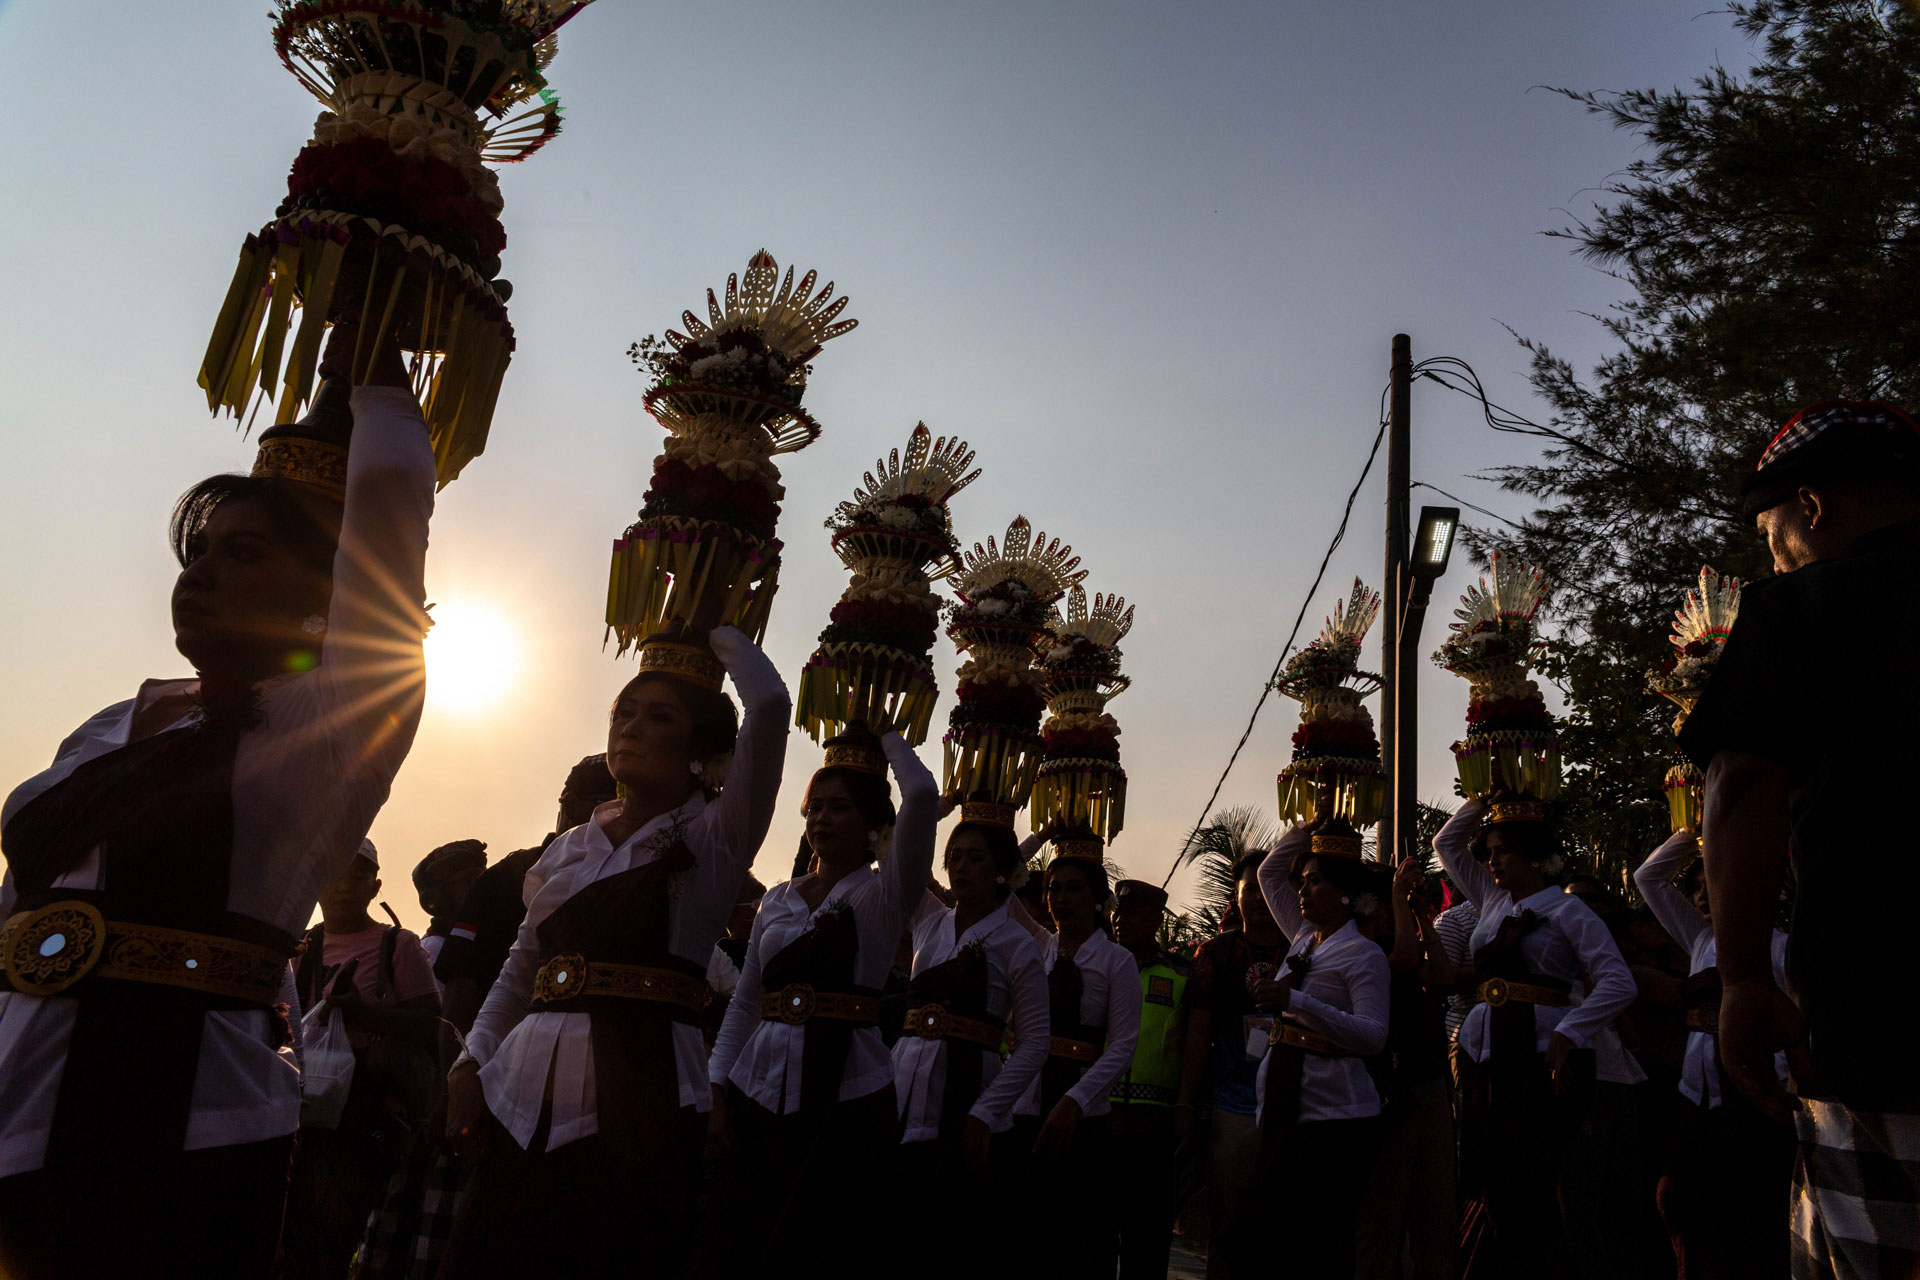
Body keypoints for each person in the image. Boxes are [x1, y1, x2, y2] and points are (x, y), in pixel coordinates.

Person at [0, 321, 433, 1280]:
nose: (201, 571)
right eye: (201, 550)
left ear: (331, 590)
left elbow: (395, 506)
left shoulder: (325, 724)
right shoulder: (118, 721)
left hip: (184, 1119)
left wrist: (372, 353)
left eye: (246, 555)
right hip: (20, 1086)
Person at [439, 629, 788, 1279]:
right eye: (622, 713)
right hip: (520, 1094)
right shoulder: (568, 850)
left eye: (659, 717)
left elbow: (768, 706)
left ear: (700, 750)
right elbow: (520, 972)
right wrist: (470, 1064)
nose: (630, 728)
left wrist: (712, 627)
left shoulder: (713, 839)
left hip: (643, 1097)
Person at [1679, 400, 1920, 1279]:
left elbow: (1741, 783)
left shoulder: (1809, 604)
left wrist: (1741, 976)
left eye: (1770, 530)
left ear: (1811, 506)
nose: (1771, 553)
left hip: (1880, 1029)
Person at [699, 722, 938, 1280]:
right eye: (815, 808)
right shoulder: (776, 901)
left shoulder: (884, 895)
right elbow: (747, 1003)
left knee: (825, 1243)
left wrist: (885, 740)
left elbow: (922, 794)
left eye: (840, 808)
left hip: (849, 1096)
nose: (822, 819)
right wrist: (716, 1087)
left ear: (875, 826)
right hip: (756, 1089)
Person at [1435, 797, 1638, 1280]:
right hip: (1484, 1056)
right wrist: (1486, 796)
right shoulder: (1492, 899)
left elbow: (1618, 982)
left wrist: (1572, 1029)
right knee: (1484, 1176)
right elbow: (1448, 843)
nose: (1491, 861)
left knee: (1531, 1180)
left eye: (1502, 850)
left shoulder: (1569, 910)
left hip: (1539, 1058)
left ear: (1531, 854)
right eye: (1488, 852)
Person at [892, 807, 1049, 1280]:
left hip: (968, 1103)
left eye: (975, 858)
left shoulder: (1019, 944)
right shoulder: (928, 920)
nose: (960, 867)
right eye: (953, 857)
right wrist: (943, 804)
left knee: (953, 1239)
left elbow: (1034, 1041)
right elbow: (895, 849)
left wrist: (986, 1111)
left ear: (1003, 871)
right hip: (903, 1091)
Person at [278, 846, 442, 1280]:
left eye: (357, 878)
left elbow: (430, 1025)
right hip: (302, 1111)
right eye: (335, 876)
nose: (344, 888)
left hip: (363, 1116)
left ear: (376, 887)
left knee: (335, 1236)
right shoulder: (300, 944)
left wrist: (362, 1014)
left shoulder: (397, 945)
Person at [1634, 830, 1793, 1278]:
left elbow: (1792, 1026)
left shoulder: (1780, 946)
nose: (1703, 895)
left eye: (1714, 881)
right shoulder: (1700, 938)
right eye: (1698, 886)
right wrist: (1697, 827)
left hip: (1755, 1099)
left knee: (1750, 1219)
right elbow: (1649, 877)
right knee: (1679, 1201)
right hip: (1698, 1097)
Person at [1246, 821, 1391, 1280]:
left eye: (1315, 880)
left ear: (1345, 892)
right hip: (1287, 1106)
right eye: (1302, 880)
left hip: (1335, 1116)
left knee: (1322, 1244)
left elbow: (1373, 1034)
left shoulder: (1362, 953)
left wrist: (1295, 1001)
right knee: (1277, 1239)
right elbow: (1269, 874)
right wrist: (1310, 821)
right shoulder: (1304, 938)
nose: (1302, 890)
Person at [1012, 853, 1143, 1280]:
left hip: (1083, 1112)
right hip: (1025, 1101)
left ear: (1098, 899)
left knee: (1080, 1235)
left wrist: (1075, 1101)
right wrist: (1042, 837)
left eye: (1074, 889)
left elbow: (1122, 1045)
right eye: (1053, 889)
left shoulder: (1116, 961)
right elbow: (1004, 881)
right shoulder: (1035, 945)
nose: (1060, 899)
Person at [434, 755, 618, 1042]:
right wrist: (457, 1073)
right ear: (570, 805)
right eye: (608, 806)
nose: (620, 819)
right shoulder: (503, 881)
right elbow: (462, 987)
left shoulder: (632, 878)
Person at [1183, 852, 1287, 1279]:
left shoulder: (1304, 948)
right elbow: (1196, 1033)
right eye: (1251, 891)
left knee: (1280, 1226)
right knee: (1225, 1225)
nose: (1261, 900)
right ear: (1236, 896)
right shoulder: (1215, 953)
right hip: (1229, 1106)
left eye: (1269, 890)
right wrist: (1185, 1103)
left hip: (1290, 1106)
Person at [1355, 855, 1456, 1280]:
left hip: (1428, 1079)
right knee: (1383, 1214)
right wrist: (1399, 900)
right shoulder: (1362, 950)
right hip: (1389, 1088)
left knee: (1436, 1209)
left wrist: (1420, 916)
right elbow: (1404, 962)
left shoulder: (1407, 937)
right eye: (1382, 900)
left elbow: (1443, 976)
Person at [1102, 878, 1195, 1280]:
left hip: (1154, 1126)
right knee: (1096, 1234)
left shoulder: (1181, 975)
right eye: (1117, 912)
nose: (1121, 921)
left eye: (1134, 912)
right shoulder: (1096, 967)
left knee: (1148, 1239)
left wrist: (1183, 1106)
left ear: (1156, 919)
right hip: (1099, 1119)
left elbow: (1193, 1045)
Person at [704, 873, 767, 1045]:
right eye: (758, 905)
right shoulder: (724, 952)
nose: (764, 912)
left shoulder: (769, 951)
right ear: (734, 911)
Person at [411, 839, 488, 971]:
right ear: (440, 896)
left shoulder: (482, 939)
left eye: (482, 878)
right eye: (468, 880)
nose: (480, 887)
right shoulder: (432, 950)